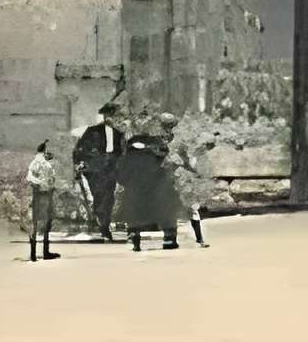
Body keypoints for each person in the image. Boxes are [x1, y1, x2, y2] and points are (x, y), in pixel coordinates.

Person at [117, 122, 176, 251]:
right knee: (166, 208)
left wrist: (126, 182)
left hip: (135, 189)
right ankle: (169, 237)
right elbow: (167, 163)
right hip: (156, 187)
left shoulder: (128, 154)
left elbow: (121, 174)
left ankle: (135, 240)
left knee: (134, 214)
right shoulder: (157, 147)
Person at [72, 102, 126, 241]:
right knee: (98, 194)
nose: (113, 118)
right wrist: (82, 162)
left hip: (111, 169)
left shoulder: (118, 134)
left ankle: (105, 225)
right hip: (95, 169)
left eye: (115, 116)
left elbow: (121, 153)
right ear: (105, 116)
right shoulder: (92, 131)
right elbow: (79, 149)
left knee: (109, 197)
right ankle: (100, 220)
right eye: (111, 115)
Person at [166, 122, 208, 249]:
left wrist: (194, 173)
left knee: (192, 210)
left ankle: (199, 239)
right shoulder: (160, 145)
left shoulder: (179, 145)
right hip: (169, 181)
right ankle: (171, 240)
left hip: (181, 181)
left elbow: (187, 163)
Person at [27, 141, 61, 262]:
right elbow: (29, 177)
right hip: (42, 194)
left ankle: (37, 253)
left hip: (44, 193)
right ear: (44, 151)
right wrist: (41, 183)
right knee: (41, 222)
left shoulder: (42, 162)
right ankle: (38, 253)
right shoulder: (38, 162)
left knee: (43, 222)